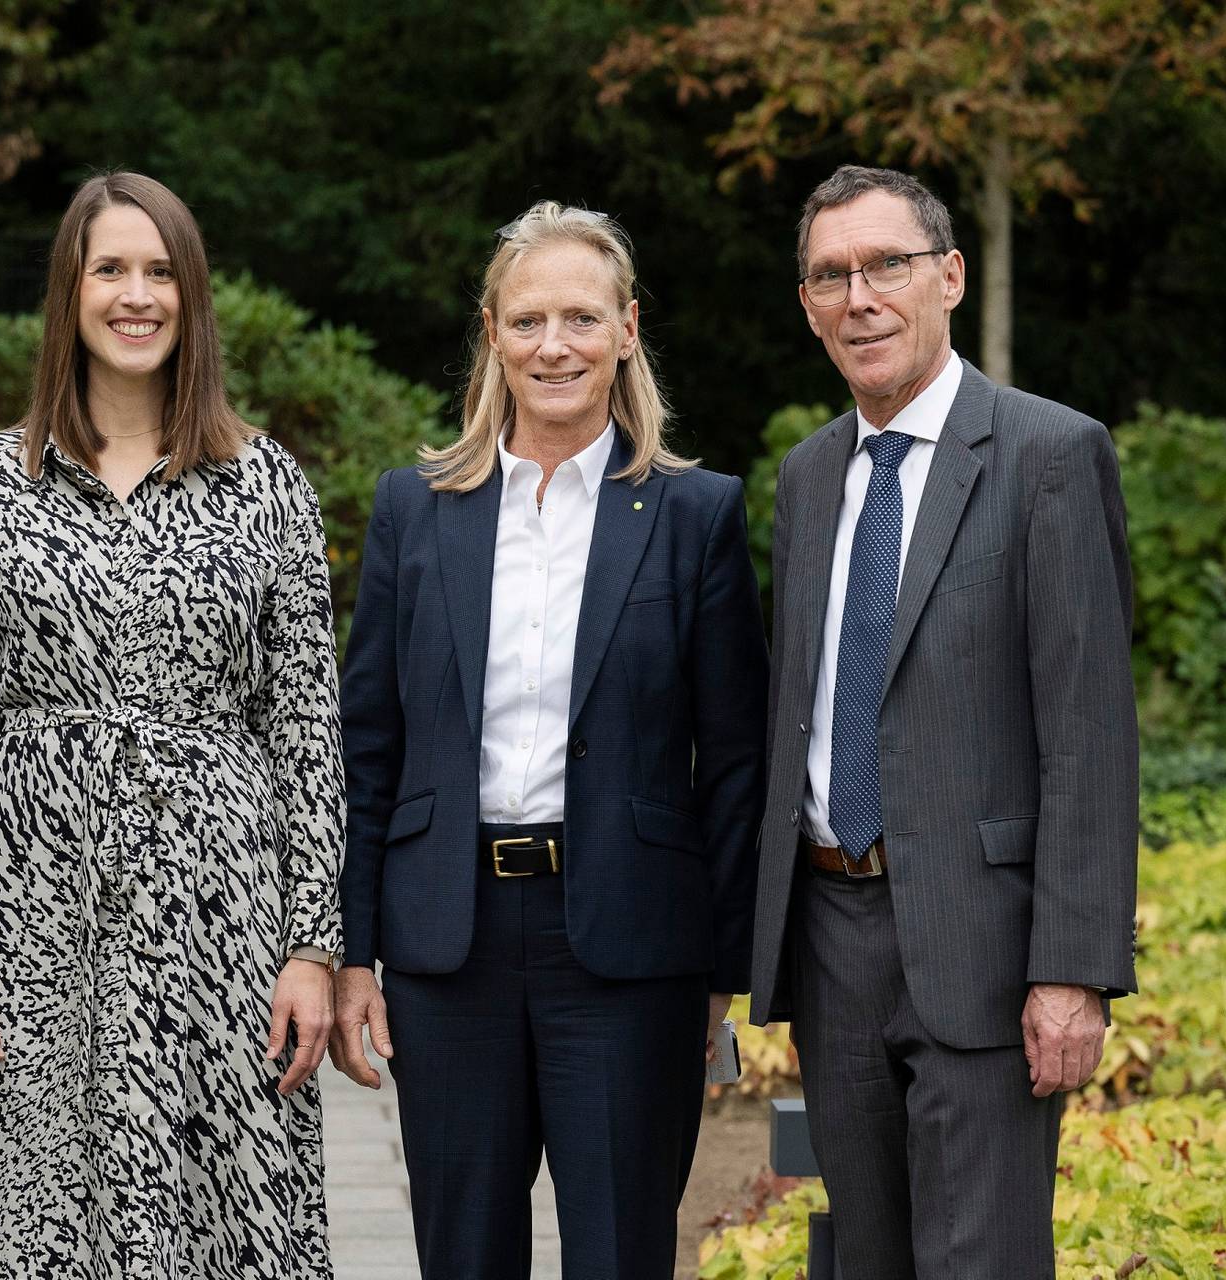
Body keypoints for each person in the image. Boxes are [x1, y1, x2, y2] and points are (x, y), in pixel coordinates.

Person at [0, 170, 345, 1279]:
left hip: (221, 909)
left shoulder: (266, 484)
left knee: (220, 1209)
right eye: (110, 269)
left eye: (159, 271)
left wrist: (311, 942)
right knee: (32, 1210)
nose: (134, 294)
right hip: (32, 909)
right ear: (70, 292)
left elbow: (304, 727)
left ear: (191, 296)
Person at [331, 201, 768, 1280]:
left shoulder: (691, 513)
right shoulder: (415, 510)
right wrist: (348, 948)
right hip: (447, 944)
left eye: (581, 317)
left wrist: (717, 967)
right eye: (528, 320)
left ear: (626, 328)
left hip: (629, 948)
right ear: (492, 334)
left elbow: (737, 756)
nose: (554, 345)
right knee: (463, 1255)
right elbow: (365, 746)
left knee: (619, 1254)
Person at [746, 165, 1140, 1278]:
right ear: (809, 301)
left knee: (982, 1261)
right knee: (862, 1256)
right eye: (830, 274)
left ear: (950, 277)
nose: (858, 296)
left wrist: (1072, 968)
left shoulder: (1049, 455)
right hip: (831, 941)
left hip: (986, 946)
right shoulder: (809, 475)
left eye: (885, 265)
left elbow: (1088, 734)